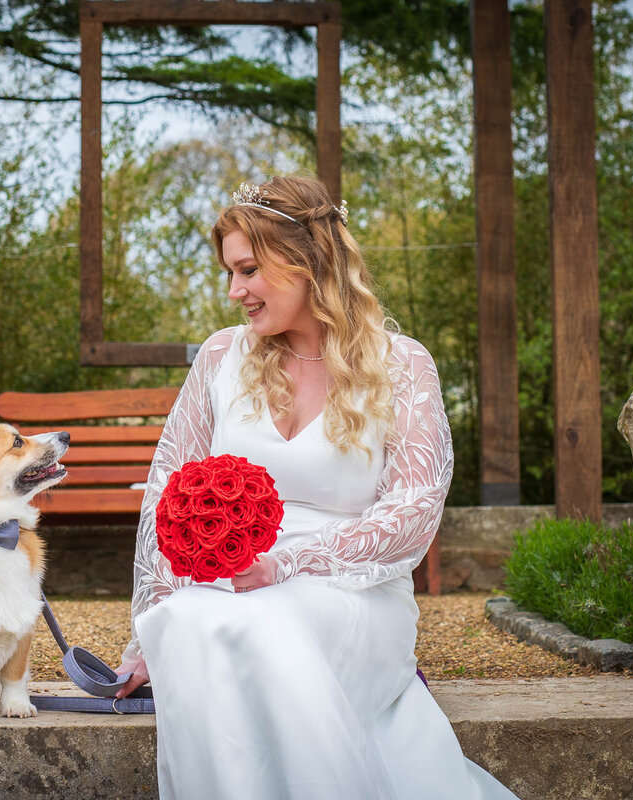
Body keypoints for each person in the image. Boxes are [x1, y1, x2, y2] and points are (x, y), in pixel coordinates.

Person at [113, 176, 519, 799]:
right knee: (187, 622)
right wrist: (147, 626)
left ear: (303, 260)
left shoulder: (402, 365)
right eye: (229, 273)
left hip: (350, 592)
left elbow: (415, 508)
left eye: (248, 270)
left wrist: (286, 563)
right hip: (223, 587)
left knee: (252, 627)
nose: (234, 292)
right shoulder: (221, 359)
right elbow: (166, 487)